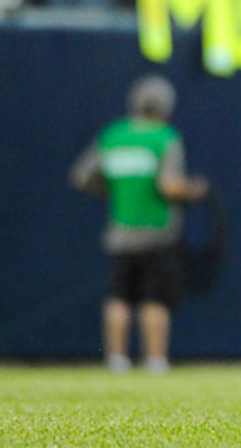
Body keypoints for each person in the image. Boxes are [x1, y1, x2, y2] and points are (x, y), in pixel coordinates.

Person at [68, 75, 209, 373]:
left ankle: (116, 359)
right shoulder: (165, 137)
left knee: (119, 297)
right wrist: (193, 190)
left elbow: (82, 176)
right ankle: (155, 360)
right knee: (154, 299)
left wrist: (116, 187)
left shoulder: (114, 135)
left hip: (120, 232)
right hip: (158, 232)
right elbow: (168, 185)